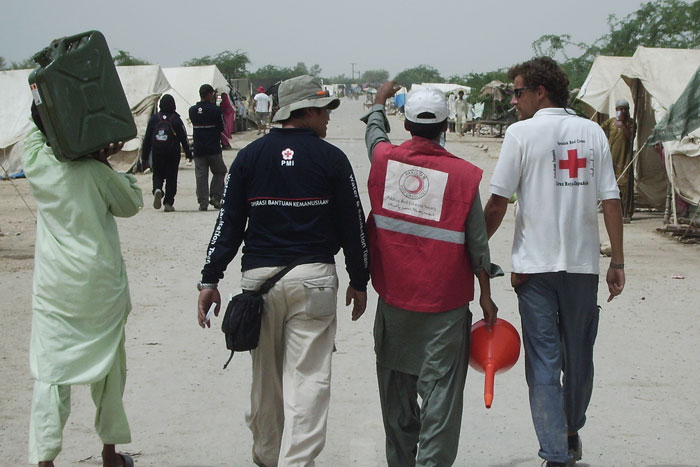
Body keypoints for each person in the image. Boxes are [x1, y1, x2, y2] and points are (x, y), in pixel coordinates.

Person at [196, 75, 370, 467]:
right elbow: (353, 227)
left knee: (266, 381)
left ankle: (266, 456)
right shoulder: (332, 159)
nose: (328, 119)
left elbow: (228, 223)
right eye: (324, 110)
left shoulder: (250, 156)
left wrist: (210, 279)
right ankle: (296, 463)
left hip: (259, 284)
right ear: (305, 111)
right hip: (314, 281)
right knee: (309, 380)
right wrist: (360, 280)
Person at [483, 57, 625, 467]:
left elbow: (497, 202)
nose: (513, 100)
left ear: (539, 92)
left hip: (534, 269)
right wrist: (617, 259)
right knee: (579, 355)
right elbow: (610, 199)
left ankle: (555, 452)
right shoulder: (592, 131)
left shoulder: (521, 134)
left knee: (545, 358)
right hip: (583, 268)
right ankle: (570, 430)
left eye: (517, 91)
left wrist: (473, 249)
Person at [361, 82, 500, 467]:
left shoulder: (384, 161)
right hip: (445, 308)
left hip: (395, 303)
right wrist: (486, 295)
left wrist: (377, 103)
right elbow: (478, 243)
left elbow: (374, 135)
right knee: (441, 400)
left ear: (405, 124)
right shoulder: (461, 176)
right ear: (446, 126)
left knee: (397, 395)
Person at [24, 103, 143, 467]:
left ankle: (44, 460)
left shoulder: (36, 164)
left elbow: (36, 126)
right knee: (108, 366)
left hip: (55, 286)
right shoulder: (95, 172)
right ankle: (109, 454)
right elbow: (132, 203)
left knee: (50, 373)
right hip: (100, 285)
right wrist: (103, 159)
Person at [140, 94, 192, 212]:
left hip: (157, 152)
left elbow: (147, 138)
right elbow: (183, 138)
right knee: (171, 177)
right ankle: (168, 203)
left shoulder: (154, 119)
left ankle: (157, 189)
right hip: (172, 153)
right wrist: (188, 154)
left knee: (157, 174)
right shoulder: (176, 119)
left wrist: (144, 157)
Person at [189, 84, 226, 211]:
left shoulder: (192, 110)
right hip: (213, 148)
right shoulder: (216, 110)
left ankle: (202, 202)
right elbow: (222, 127)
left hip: (199, 148)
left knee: (201, 175)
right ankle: (215, 197)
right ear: (210, 94)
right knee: (220, 171)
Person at [600, 99, 636, 222]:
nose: (623, 111)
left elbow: (631, 136)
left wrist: (623, 124)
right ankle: (615, 210)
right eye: (620, 109)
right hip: (612, 156)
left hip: (625, 157)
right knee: (612, 183)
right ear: (616, 110)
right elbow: (600, 129)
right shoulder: (610, 123)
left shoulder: (630, 123)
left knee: (625, 184)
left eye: (625, 109)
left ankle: (626, 211)